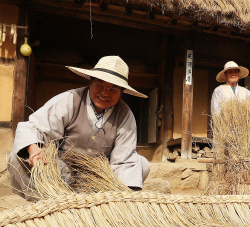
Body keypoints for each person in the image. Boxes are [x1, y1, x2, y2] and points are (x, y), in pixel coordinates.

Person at [8, 56, 151, 201]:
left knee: (141, 165)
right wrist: (34, 150)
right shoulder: (69, 99)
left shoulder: (125, 115)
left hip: (98, 178)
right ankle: (47, 203)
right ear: (90, 81)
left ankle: (109, 204)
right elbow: (34, 127)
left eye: (114, 88)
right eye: (100, 84)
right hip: (60, 170)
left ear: (122, 91)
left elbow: (123, 159)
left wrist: (121, 193)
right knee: (17, 157)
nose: (105, 92)